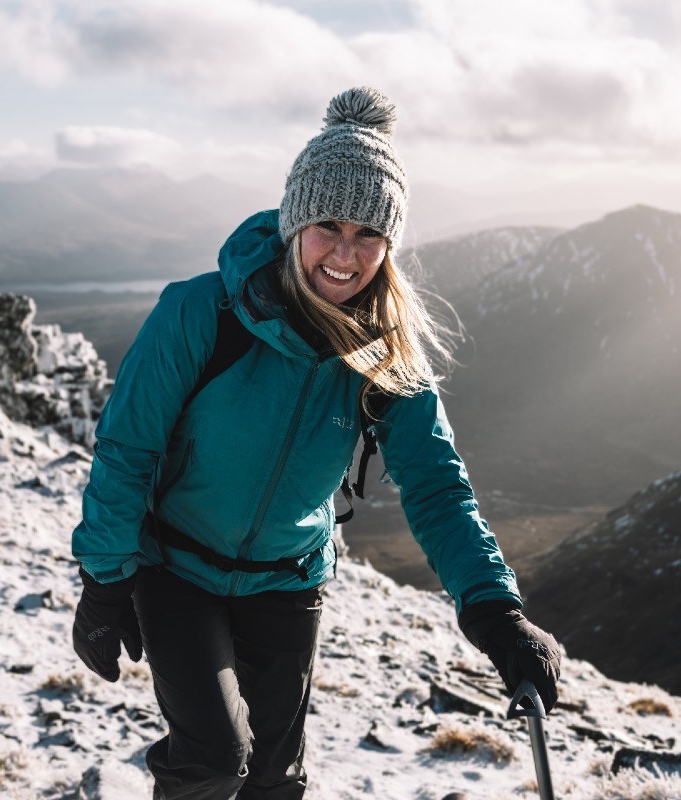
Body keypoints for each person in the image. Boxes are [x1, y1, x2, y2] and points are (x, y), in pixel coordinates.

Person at [71, 87, 561, 799]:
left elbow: (435, 485)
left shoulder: (386, 351)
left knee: (274, 780)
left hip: (289, 580)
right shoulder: (198, 314)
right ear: (294, 220)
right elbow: (127, 451)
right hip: (175, 568)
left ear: (388, 245)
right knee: (212, 758)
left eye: (368, 234)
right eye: (328, 224)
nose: (345, 252)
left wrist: (496, 610)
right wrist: (105, 581)